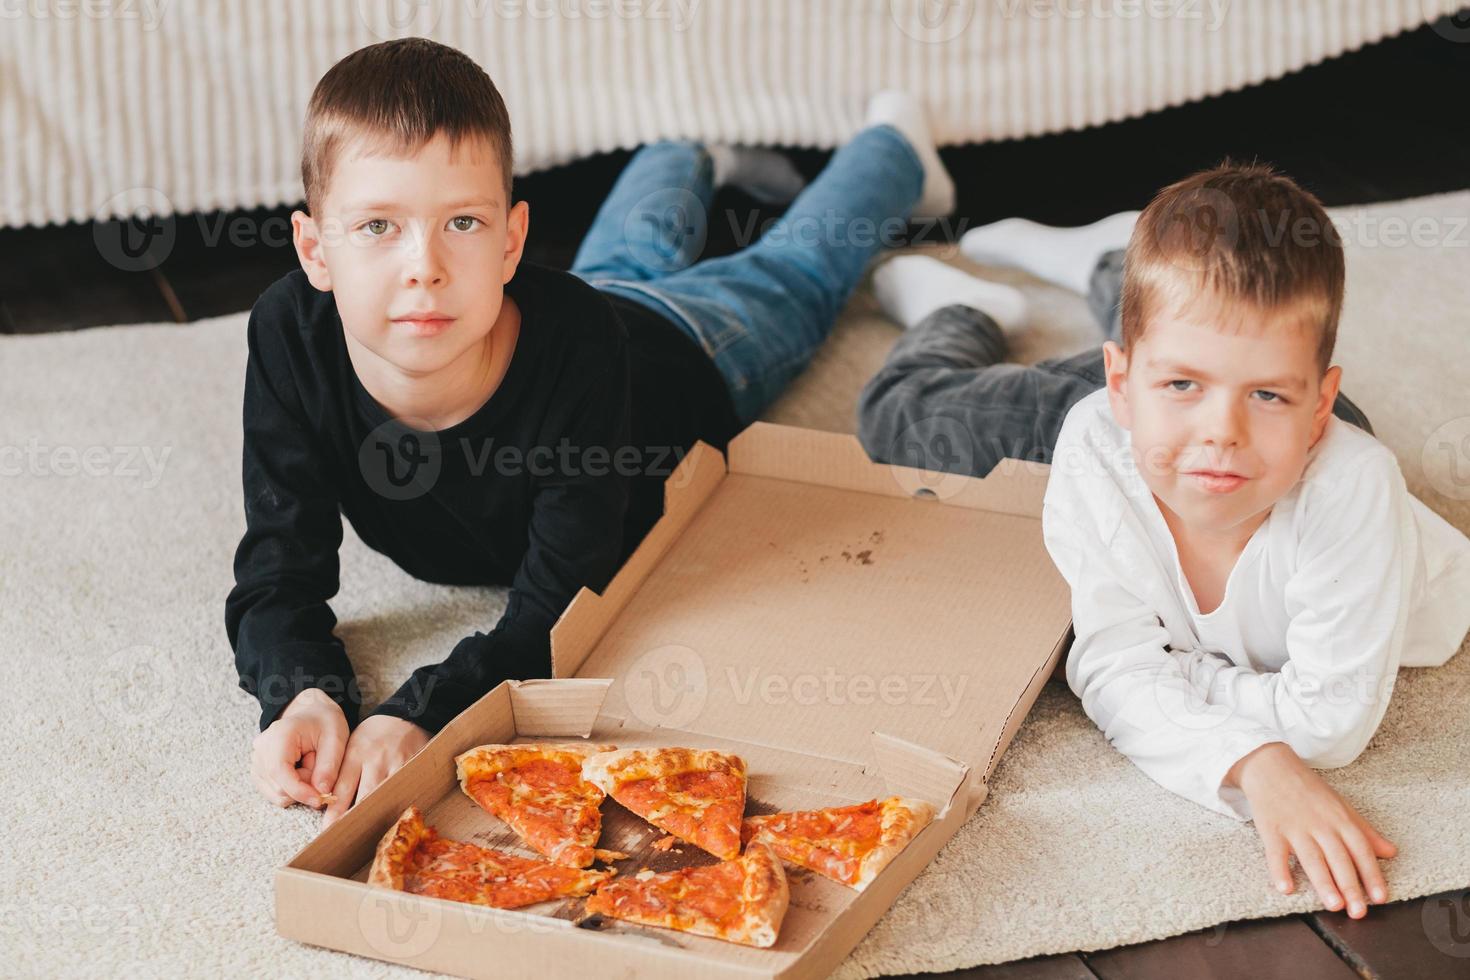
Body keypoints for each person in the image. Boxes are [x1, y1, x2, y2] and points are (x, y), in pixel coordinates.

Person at [225, 36, 957, 829]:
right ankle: (689, 148)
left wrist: (422, 710)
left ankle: (897, 141)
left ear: (511, 240)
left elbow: (556, 612)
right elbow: (277, 571)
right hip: (562, 305)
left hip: (676, 347)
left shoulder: (580, 350)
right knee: (629, 250)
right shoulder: (291, 333)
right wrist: (300, 690)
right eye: (376, 227)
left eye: (462, 221)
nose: (423, 267)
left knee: (796, 270)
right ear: (314, 251)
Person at [856, 162, 1470, 918]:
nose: (1222, 432)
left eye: (1269, 395)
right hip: (1138, 437)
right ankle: (964, 306)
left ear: (1319, 408)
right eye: (1185, 385)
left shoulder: (1351, 488)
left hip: (1276, 458)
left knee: (1199, 347)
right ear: (1121, 382)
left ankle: (1117, 269)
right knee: (899, 419)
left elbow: (1329, 726)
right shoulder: (1097, 429)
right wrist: (1252, 756)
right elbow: (1115, 664)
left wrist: (1175, 674)